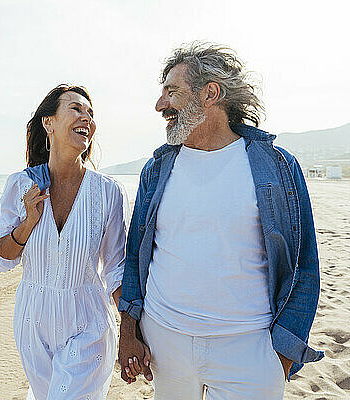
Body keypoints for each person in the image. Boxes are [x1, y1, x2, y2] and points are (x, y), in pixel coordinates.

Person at [117, 42, 324, 399]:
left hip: (249, 348)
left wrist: (282, 356)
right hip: (165, 343)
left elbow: (304, 266)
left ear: (210, 93)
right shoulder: (157, 168)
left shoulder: (277, 167)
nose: (160, 104)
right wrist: (129, 329)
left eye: (171, 92)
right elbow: (136, 255)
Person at [0, 84, 129, 399]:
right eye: (76, 109)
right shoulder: (21, 185)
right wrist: (28, 223)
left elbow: (116, 269)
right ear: (48, 123)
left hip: (88, 321)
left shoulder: (108, 192)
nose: (87, 118)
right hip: (32, 320)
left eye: (91, 114)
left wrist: (132, 331)